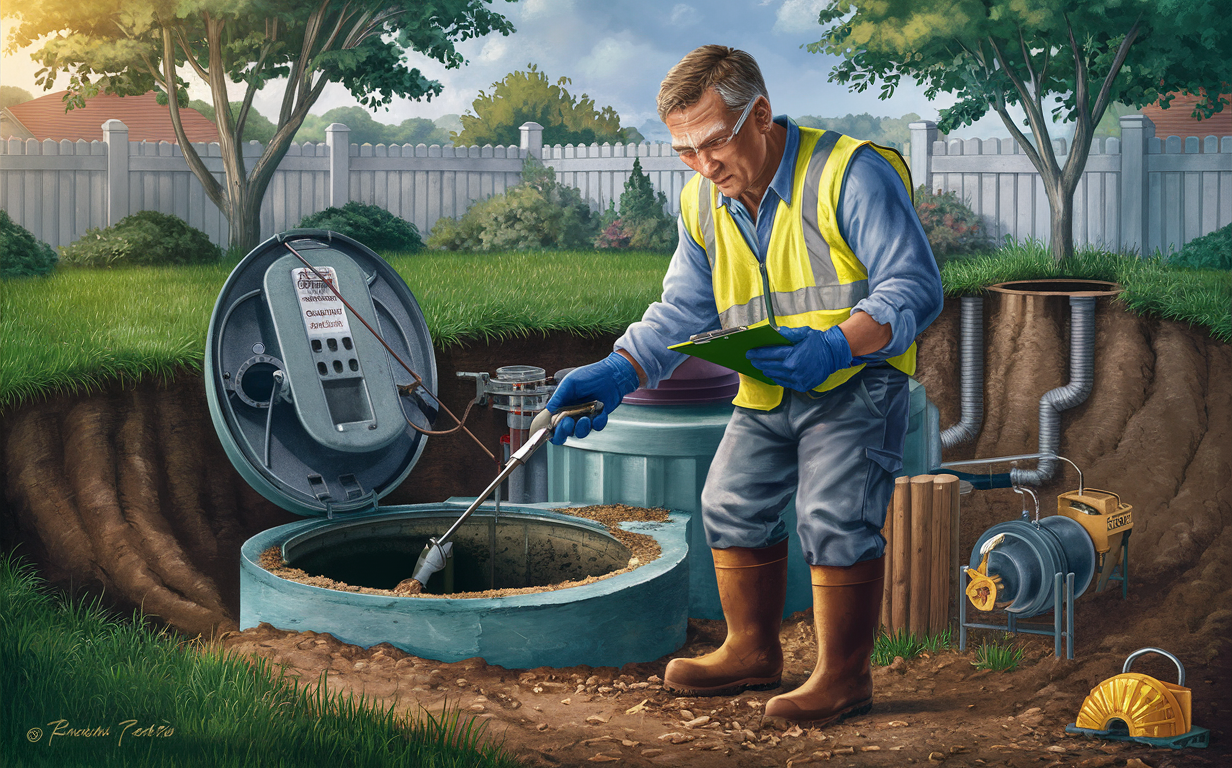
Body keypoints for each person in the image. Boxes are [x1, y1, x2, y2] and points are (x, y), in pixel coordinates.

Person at [545, 45, 943, 726]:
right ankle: (751, 653)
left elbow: (915, 286)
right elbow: (683, 310)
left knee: (835, 518)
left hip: (856, 385)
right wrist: (619, 372)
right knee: (728, 505)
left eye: (713, 143)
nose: (703, 165)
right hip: (767, 391)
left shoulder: (851, 175)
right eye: (685, 152)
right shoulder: (705, 200)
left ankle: (844, 678)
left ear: (760, 115)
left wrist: (835, 345)